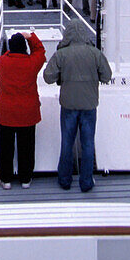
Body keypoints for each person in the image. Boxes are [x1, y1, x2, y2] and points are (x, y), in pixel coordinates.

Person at [43, 20, 112, 193]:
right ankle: (86, 182)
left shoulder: (62, 54)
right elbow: (107, 76)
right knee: (88, 144)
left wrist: (62, 76)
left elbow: (48, 77)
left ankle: (65, 180)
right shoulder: (95, 53)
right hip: (89, 105)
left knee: (67, 142)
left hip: (68, 105)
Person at [0, 30, 46, 189]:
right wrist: (31, 36)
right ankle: (25, 178)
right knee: (27, 146)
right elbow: (41, 51)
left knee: (5, 147)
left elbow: (5, 56)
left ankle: (6, 179)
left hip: (6, 112)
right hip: (27, 112)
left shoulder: (1, 63)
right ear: (24, 47)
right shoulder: (32, 63)